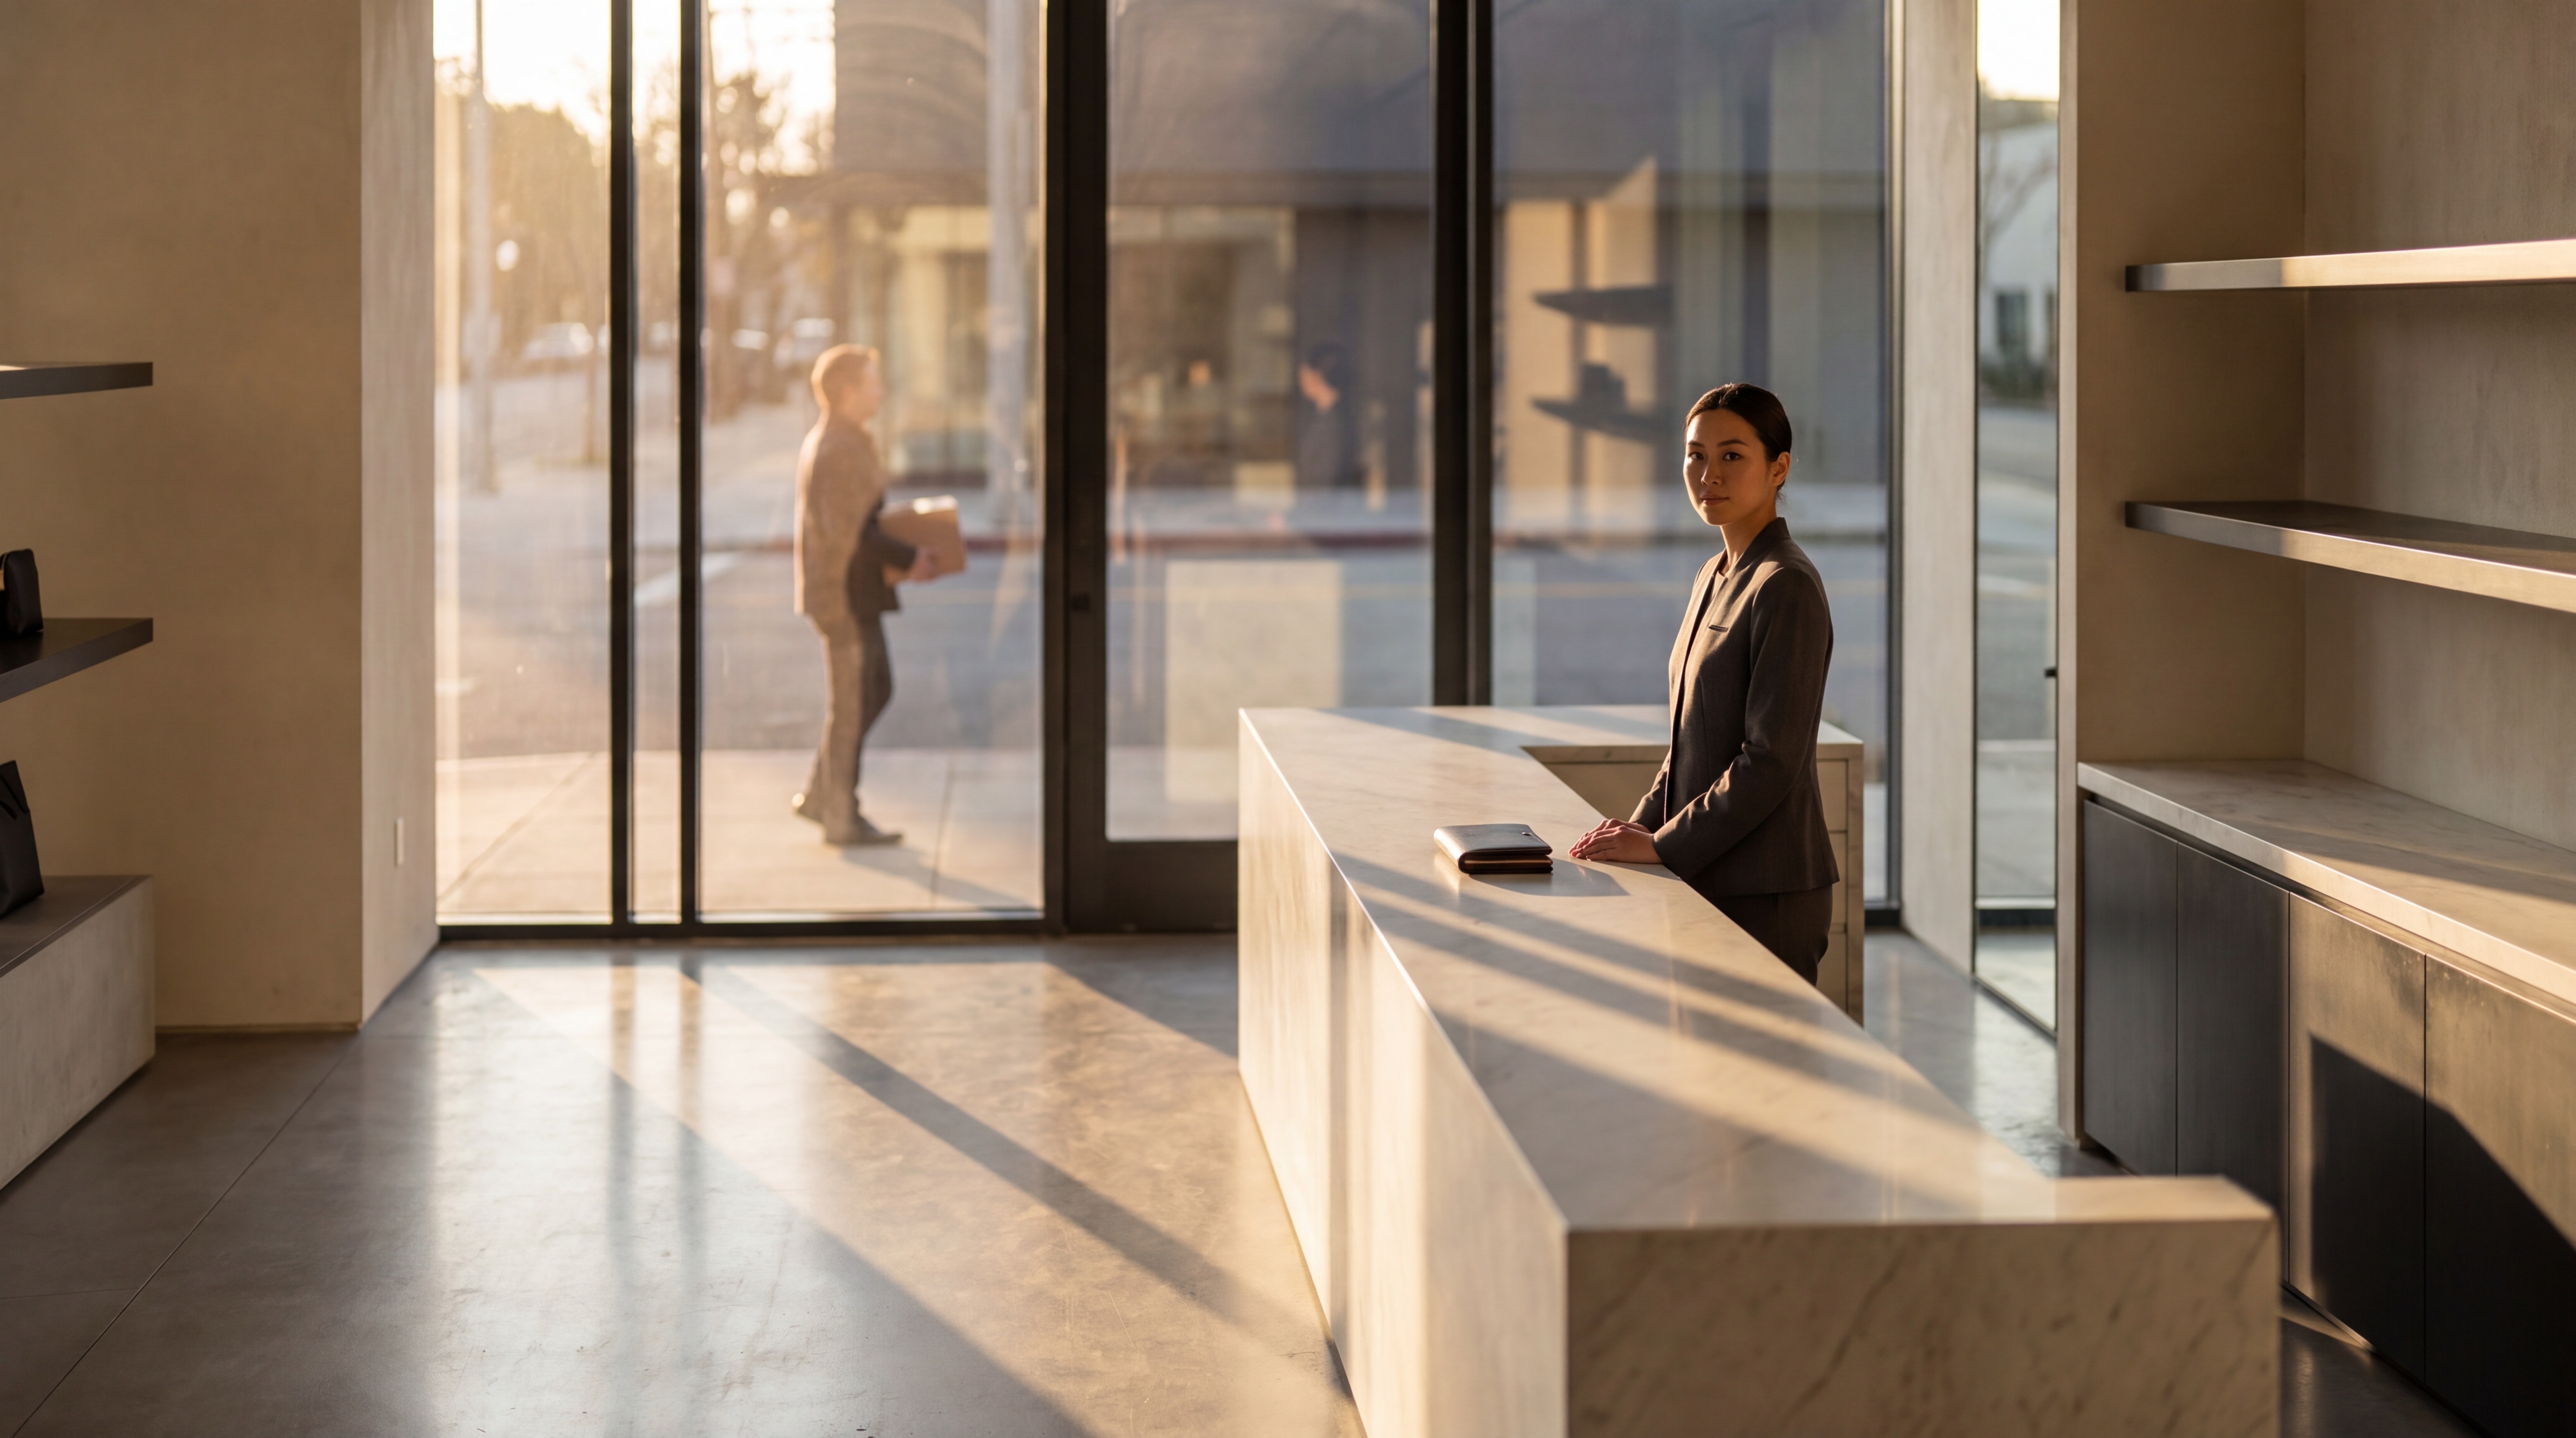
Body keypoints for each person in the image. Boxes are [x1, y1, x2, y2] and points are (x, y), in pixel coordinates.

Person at [1569, 382, 1841, 984]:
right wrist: (1642, 826)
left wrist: (1665, 846)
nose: (1708, 474)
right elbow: (1693, 734)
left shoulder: (1784, 584)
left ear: (1779, 468)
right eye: (1695, 455)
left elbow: (1769, 759)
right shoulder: (1714, 574)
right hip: (1712, 873)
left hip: (1765, 891)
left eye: (1732, 456)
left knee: (1762, 1074)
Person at [791, 344, 939, 846]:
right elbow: (849, 533)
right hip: (843, 599)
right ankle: (839, 814)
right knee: (857, 700)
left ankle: (823, 796)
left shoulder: (846, 440)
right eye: (873, 381)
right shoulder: (837, 446)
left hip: (853, 594)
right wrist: (908, 557)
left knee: (871, 691)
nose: (881, 390)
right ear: (848, 391)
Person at [1295, 343, 1362, 490]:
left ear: (1317, 374)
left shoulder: (1336, 424)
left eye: (1305, 371)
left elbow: (1326, 482)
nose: (1301, 376)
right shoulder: (1326, 417)